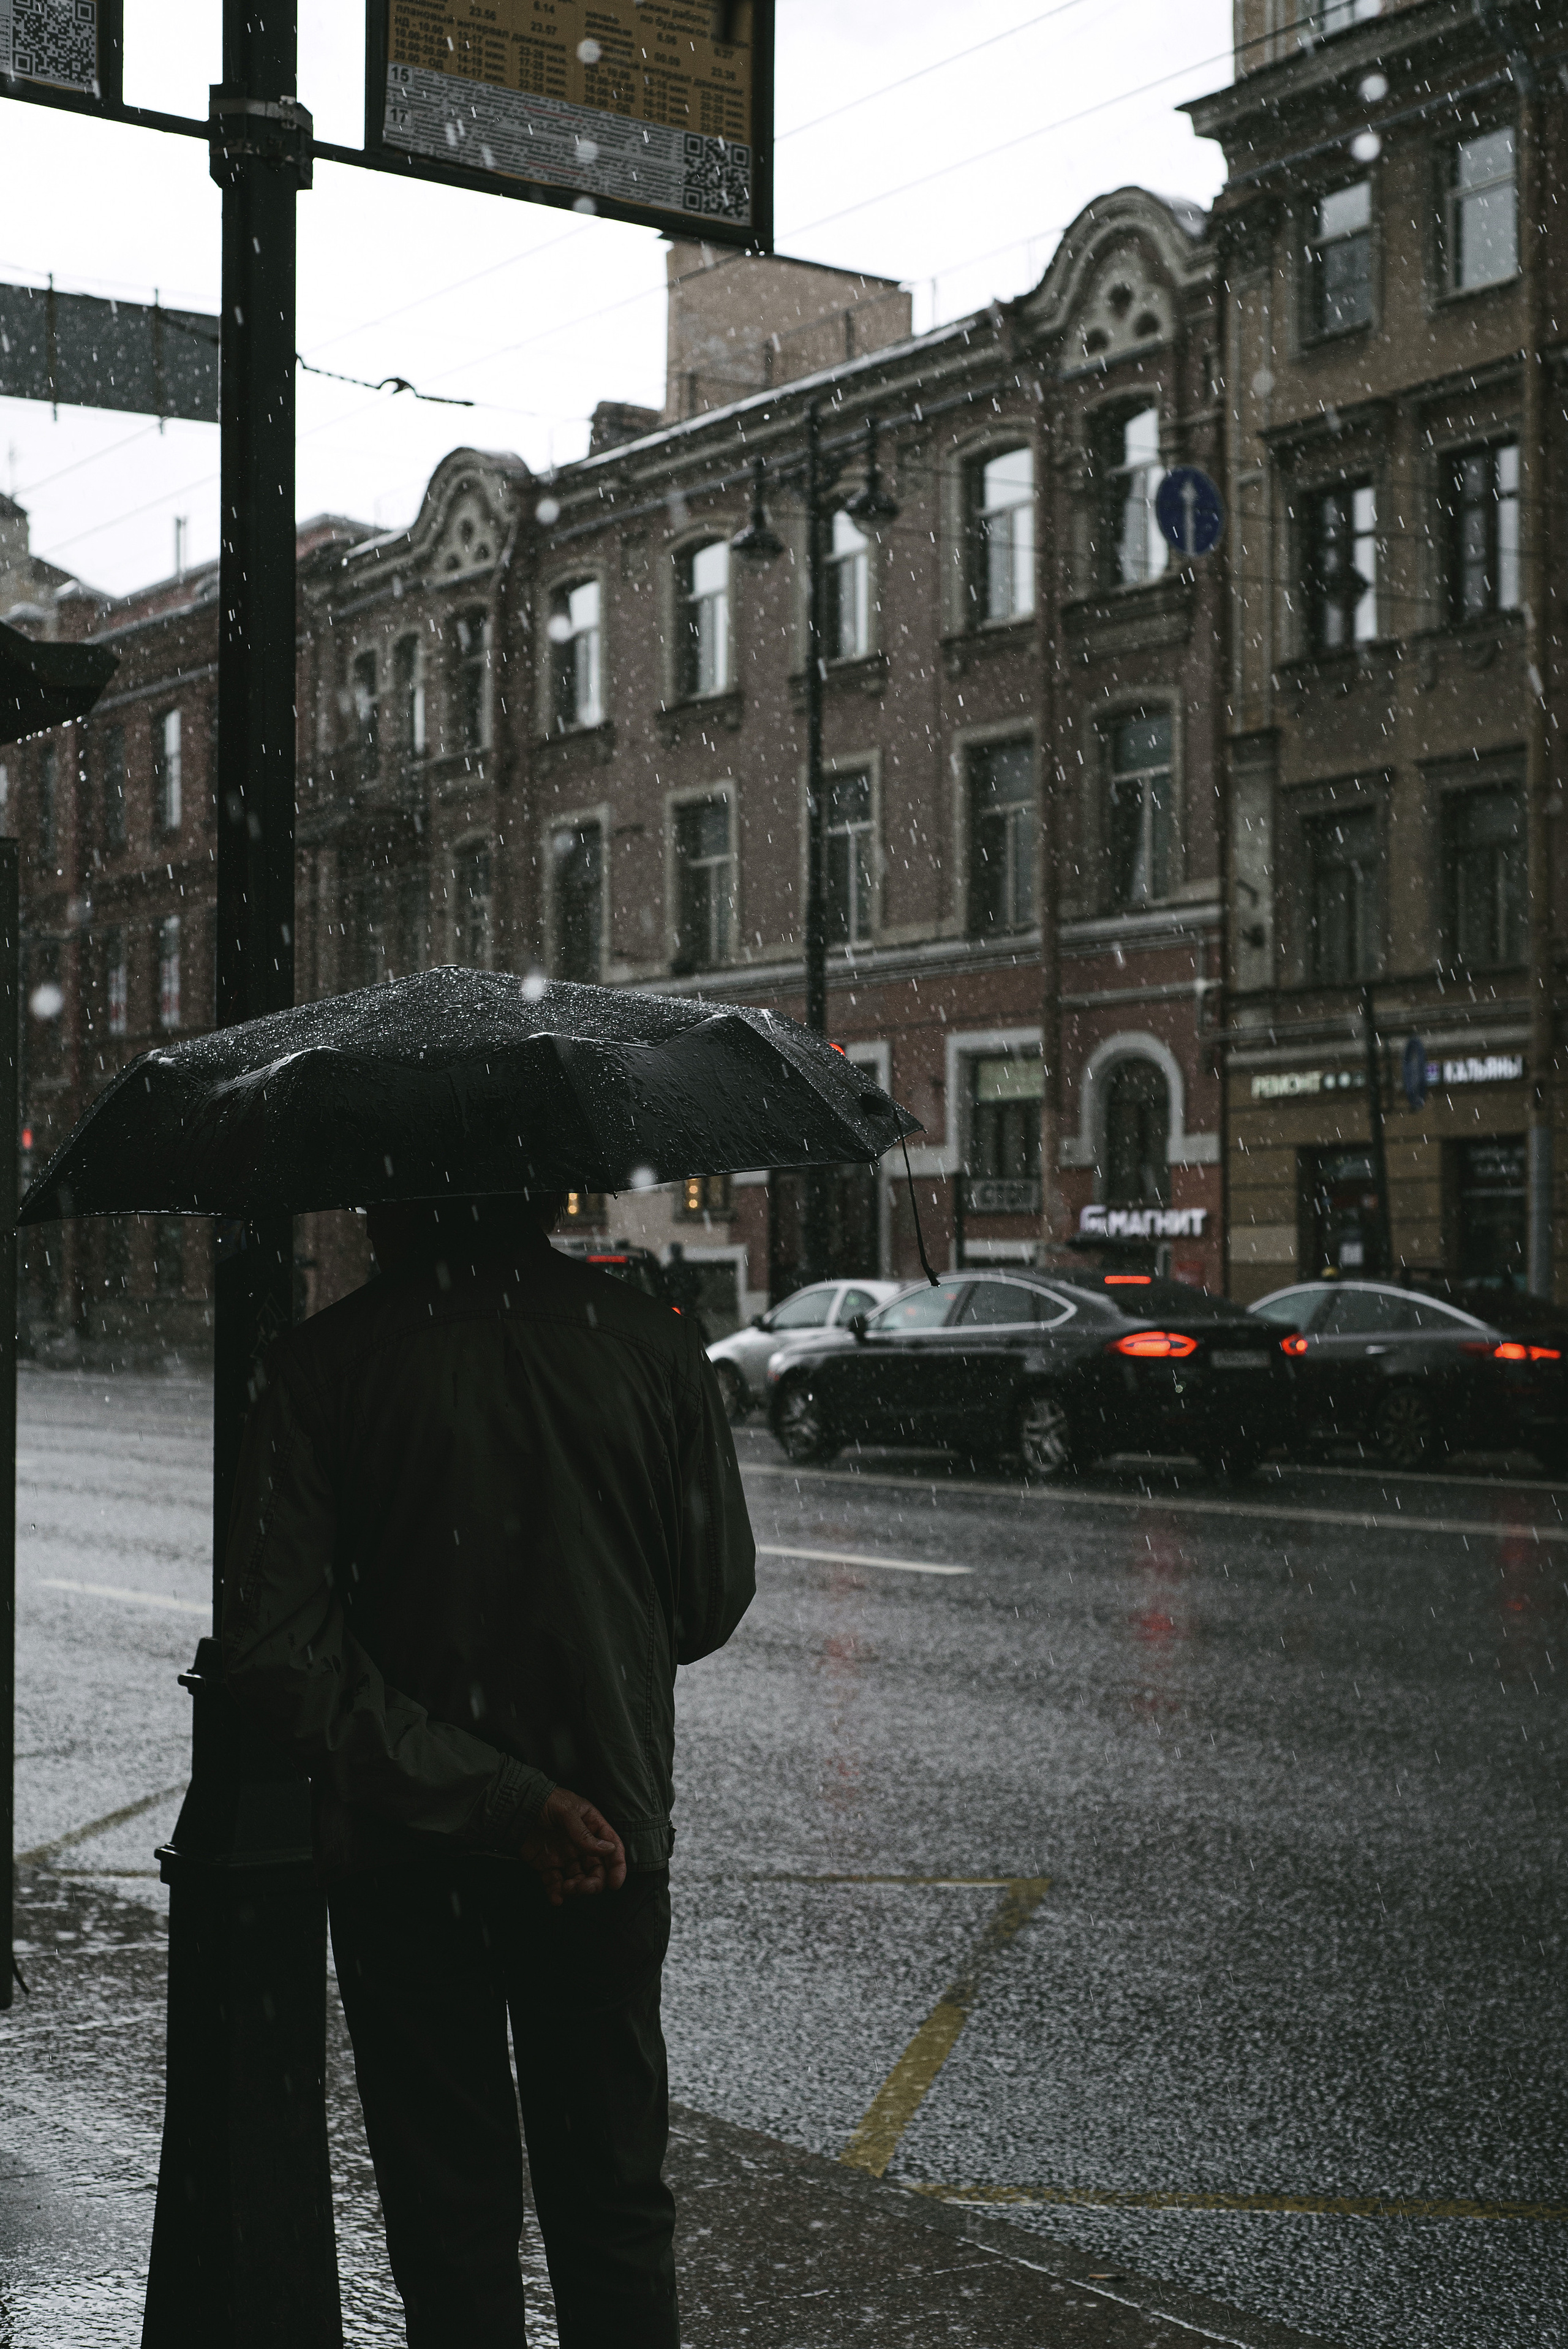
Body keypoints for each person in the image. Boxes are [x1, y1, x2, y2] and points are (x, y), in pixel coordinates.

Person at [219, 1189, 756, 2348]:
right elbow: (709, 1600)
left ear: (401, 1193)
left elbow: (276, 1650)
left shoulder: (324, 1366)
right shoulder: (655, 1343)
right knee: (612, 2207)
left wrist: (495, 1794)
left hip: (410, 1858)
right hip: (606, 1840)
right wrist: (583, 1634)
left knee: (451, 2218)